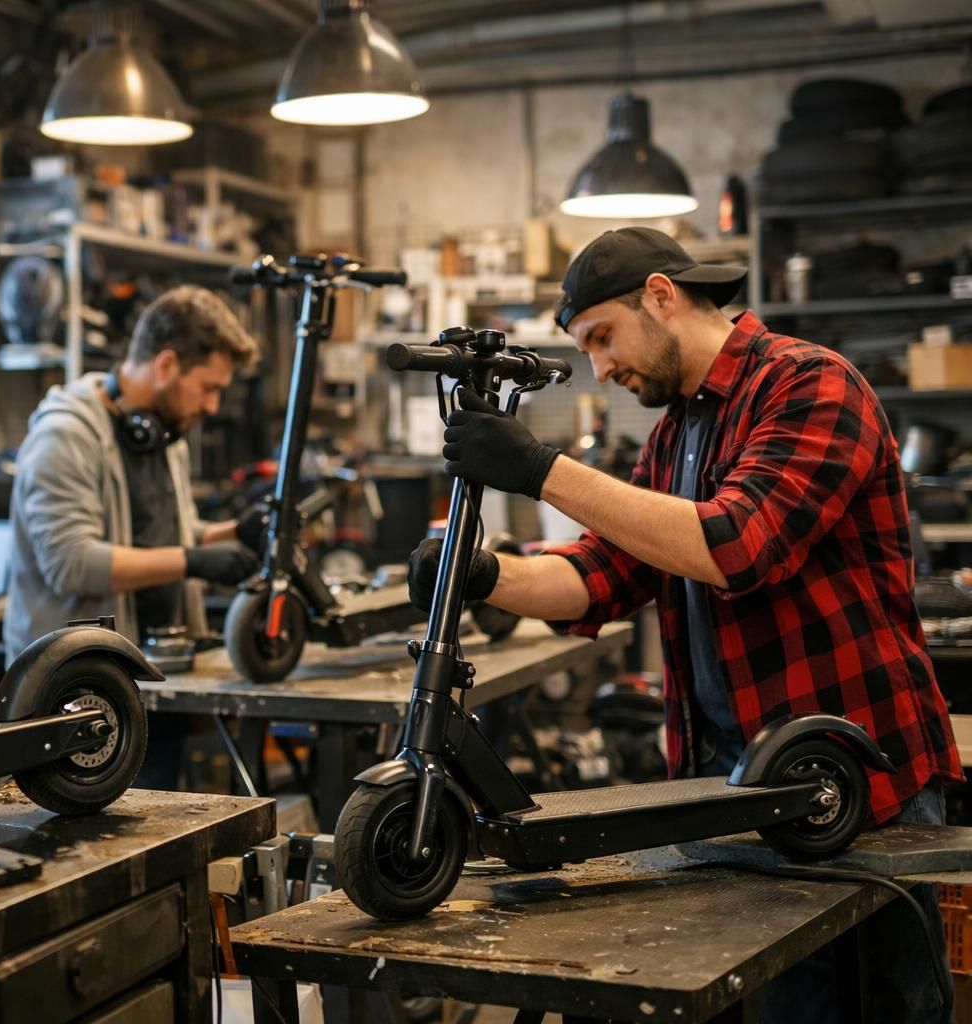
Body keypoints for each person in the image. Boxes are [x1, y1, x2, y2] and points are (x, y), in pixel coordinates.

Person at [410, 226, 961, 1023]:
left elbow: (737, 545)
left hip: (858, 792)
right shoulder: (675, 432)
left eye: (602, 338)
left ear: (662, 296)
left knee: (873, 1006)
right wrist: (487, 576)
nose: (599, 369)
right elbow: (604, 572)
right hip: (740, 793)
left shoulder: (810, 385)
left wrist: (541, 470)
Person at [5, 284, 263, 662]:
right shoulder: (65, 435)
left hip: (156, 666)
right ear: (166, 366)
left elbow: (167, 533)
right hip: (73, 684)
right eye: (209, 388)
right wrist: (194, 562)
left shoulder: (164, 431)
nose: (213, 406)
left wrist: (237, 532)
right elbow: (71, 563)